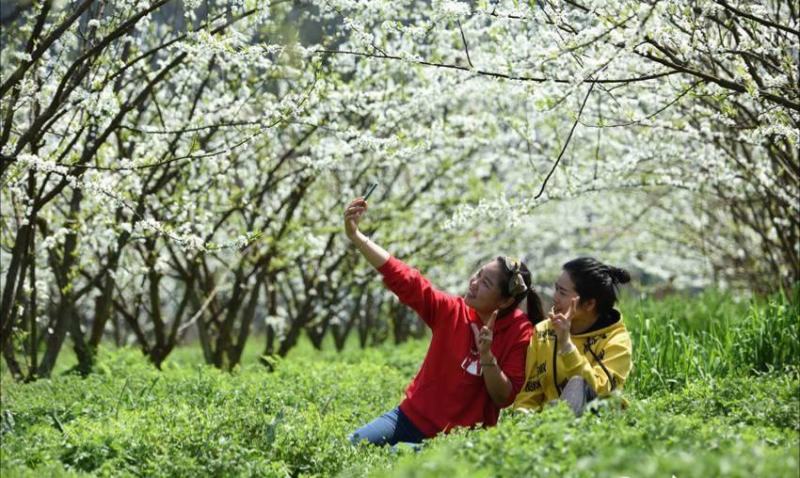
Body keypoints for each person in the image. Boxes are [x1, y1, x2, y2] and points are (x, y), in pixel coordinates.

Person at [344, 196, 544, 446]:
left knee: (399, 459)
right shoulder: (452, 311)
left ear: (504, 302)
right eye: (478, 274)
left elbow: (504, 397)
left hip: (458, 440)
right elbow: (407, 280)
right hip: (408, 419)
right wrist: (357, 237)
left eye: (486, 283)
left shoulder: (520, 332)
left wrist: (487, 357)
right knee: (352, 444)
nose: (474, 283)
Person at [513, 257, 633, 416]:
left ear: (589, 304)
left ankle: (557, 416)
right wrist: (521, 415)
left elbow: (600, 391)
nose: (555, 297)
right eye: (556, 289)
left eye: (562, 292)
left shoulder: (617, 341)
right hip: (550, 425)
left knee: (578, 384)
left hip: (597, 424)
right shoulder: (542, 332)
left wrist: (566, 345)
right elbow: (530, 393)